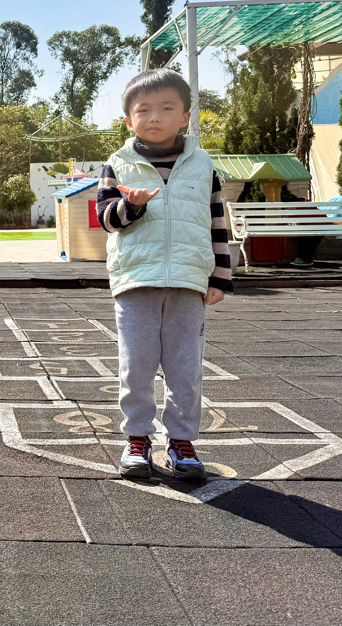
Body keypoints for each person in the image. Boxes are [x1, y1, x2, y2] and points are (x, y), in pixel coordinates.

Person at [95, 69, 233, 482]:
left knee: (185, 368)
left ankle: (181, 441)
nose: (154, 117)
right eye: (144, 110)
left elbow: (216, 221)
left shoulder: (202, 164)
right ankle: (137, 437)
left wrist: (220, 276)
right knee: (136, 365)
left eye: (167, 108)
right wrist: (131, 207)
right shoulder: (118, 164)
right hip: (136, 279)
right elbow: (106, 219)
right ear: (129, 120)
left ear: (185, 116)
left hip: (189, 281)